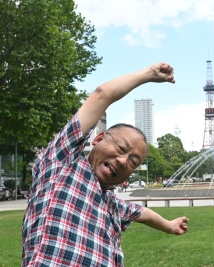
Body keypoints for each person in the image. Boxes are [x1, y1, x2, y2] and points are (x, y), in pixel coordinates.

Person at [22, 62, 189, 266]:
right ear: (98, 138)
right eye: (120, 148)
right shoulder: (62, 164)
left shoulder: (112, 205)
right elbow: (102, 94)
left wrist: (170, 226)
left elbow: (143, 213)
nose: (122, 161)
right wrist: (149, 74)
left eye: (133, 161)